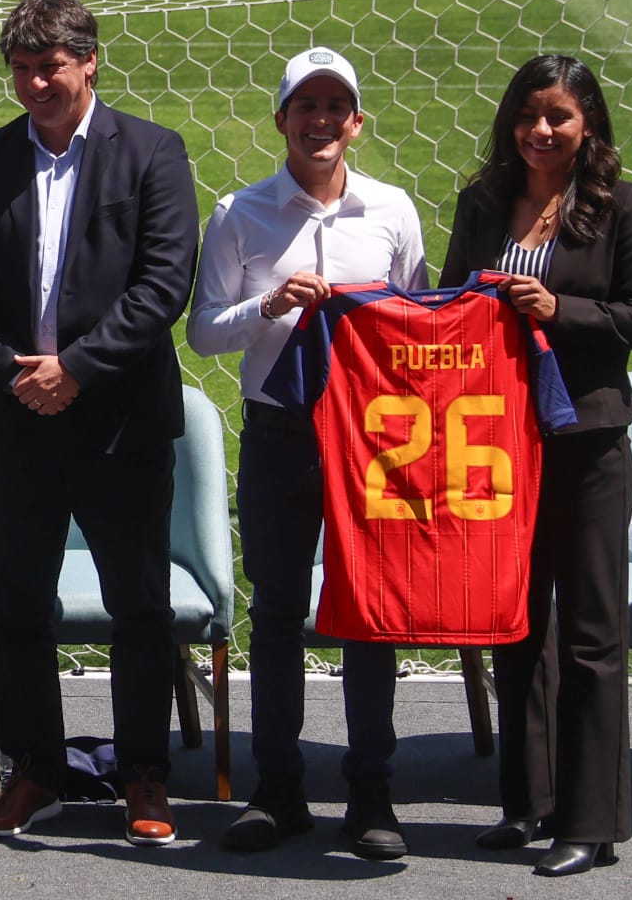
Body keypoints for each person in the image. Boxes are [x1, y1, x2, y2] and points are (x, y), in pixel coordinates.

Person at [0, 0, 199, 847]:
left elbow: (163, 286)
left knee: (139, 605)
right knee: (19, 605)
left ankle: (143, 774)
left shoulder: (153, 153)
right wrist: (15, 372)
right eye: (20, 68)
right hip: (17, 416)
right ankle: (36, 771)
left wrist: (77, 371)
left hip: (118, 420)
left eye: (50, 66)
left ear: (89, 63)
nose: (34, 83)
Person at [188, 46, 427, 860]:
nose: (320, 121)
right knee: (280, 612)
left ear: (356, 122)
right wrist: (268, 304)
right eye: (305, 106)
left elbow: (416, 322)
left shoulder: (392, 210)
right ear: (281, 119)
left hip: (371, 442)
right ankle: (277, 789)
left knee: (370, 614)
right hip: (280, 435)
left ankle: (370, 795)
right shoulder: (240, 213)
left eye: (336, 107)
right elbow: (203, 331)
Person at [439, 54, 632, 877]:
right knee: (516, 620)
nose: (541, 131)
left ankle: (592, 820)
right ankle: (527, 801)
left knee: (593, 632)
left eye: (559, 118)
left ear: (589, 126)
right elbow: (451, 300)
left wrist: (558, 309)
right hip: (500, 438)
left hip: (590, 444)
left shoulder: (620, 207)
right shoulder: (484, 202)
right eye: (529, 116)